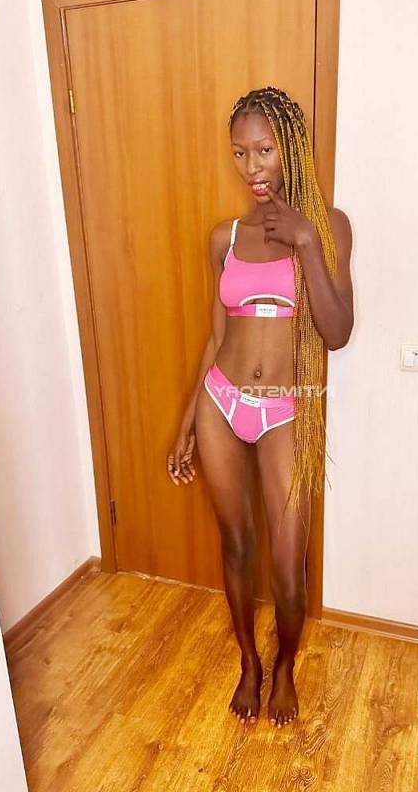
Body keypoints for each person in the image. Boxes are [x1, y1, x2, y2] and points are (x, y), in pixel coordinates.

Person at [167, 86, 353, 729]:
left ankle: (286, 665)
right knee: (237, 544)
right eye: (240, 152)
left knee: (289, 568)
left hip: (287, 408)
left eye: (264, 150)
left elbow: (337, 332)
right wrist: (188, 423)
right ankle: (249, 661)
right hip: (221, 400)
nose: (252, 167)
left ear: (291, 147)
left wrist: (306, 242)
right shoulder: (225, 237)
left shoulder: (328, 225)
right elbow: (217, 335)